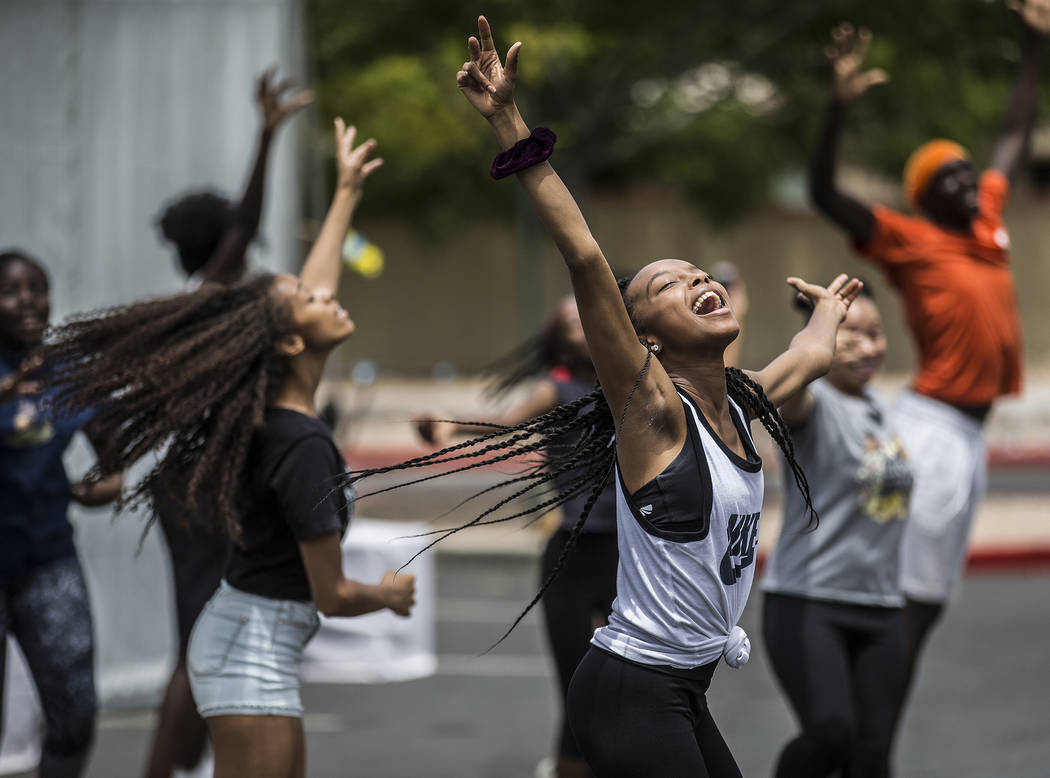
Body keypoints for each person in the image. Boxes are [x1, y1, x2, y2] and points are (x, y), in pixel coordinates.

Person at [345, 17, 860, 777]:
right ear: (642, 335)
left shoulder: (742, 406)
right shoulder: (651, 409)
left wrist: (830, 312)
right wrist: (509, 124)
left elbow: (809, 357)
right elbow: (585, 255)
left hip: (682, 689)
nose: (697, 282)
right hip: (631, 689)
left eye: (700, 275)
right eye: (668, 285)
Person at [42, 118, 415, 778]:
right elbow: (331, 595)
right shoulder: (298, 442)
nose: (322, 293)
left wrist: (346, 193)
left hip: (248, 642)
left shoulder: (275, 407)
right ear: (293, 344)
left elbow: (312, 289)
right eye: (306, 297)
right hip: (250, 652)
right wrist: (386, 596)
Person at [807, 2, 1048, 714]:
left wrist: (1034, 45)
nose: (969, 181)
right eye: (951, 177)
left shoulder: (988, 222)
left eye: (970, 173)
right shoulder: (909, 240)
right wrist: (837, 107)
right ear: (924, 197)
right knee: (908, 594)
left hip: (970, 434)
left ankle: (872, 728)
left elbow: (1011, 132)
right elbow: (823, 193)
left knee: (932, 599)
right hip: (933, 428)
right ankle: (865, 733)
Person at [145, 67, 312, 778]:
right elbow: (244, 224)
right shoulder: (211, 295)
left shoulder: (199, 303)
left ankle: (206, 763)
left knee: (205, 636)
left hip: (198, 484)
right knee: (200, 638)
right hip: (201, 490)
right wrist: (268, 139)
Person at [417, 297, 617, 778]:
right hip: (571, 553)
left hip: (629, 556)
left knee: (626, 689)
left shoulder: (630, 384)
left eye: (586, 313)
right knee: (578, 689)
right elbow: (506, 424)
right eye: (570, 321)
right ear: (560, 340)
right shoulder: (558, 388)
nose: (583, 323)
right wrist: (450, 426)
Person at [762, 285, 913, 778]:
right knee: (831, 736)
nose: (868, 348)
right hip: (809, 602)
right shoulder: (813, 405)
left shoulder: (881, 408)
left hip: (883, 608)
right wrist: (817, 337)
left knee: (871, 759)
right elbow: (790, 391)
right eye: (851, 335)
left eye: (875, 334)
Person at [1, 249, 123, 777]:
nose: (28, 301)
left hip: (46, 560)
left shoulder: (65, 371)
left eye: (38, 288)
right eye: (11, 291)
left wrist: (103, 485)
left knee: (75, 714)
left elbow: (111, 458)